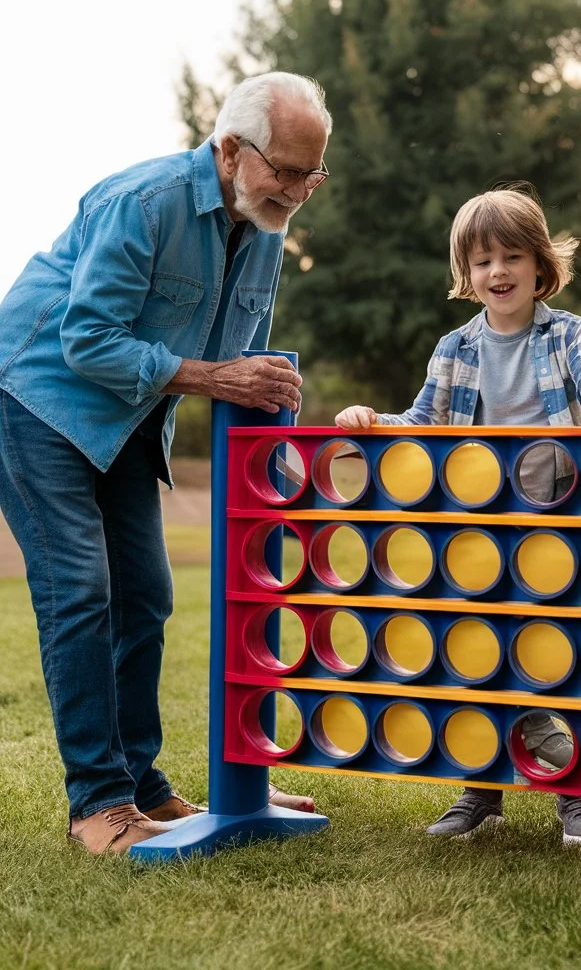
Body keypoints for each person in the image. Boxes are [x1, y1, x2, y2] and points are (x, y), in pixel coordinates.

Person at [0, 72, 334, 854]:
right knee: (80, 590)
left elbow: (239, 360)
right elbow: (86, 340)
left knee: (145, 596)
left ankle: (145, 786)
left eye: (310, 174)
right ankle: (100, 804)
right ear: (227, 149)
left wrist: (269, 438)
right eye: (282, 170)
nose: (295, 190)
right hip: (36, 397)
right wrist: (213, 378)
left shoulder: (269, 226)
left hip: (126, 420)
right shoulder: (142, 203)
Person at [335, 186, 581, 844]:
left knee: (550, 654)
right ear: (466, 276)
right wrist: (372, 423)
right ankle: (481, 791)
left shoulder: (566, 334)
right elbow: (422, 424)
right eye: (481, 261)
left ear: (539, 265)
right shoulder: (454, 348)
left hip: (551, 517)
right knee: (474, 652)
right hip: (474, 526)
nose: (497, 271)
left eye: (511, 256)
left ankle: (575, 797)